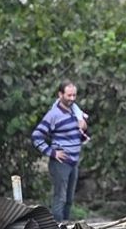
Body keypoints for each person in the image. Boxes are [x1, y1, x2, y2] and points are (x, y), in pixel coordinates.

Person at [32, 81, 86, 221]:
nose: (72, 98)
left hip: (73, 162)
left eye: (74, 95)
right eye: (69, 95)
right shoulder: (53, 115)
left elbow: (80, 132)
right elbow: (36, 136)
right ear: (60, 94)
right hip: (60, 163)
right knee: (60, 198)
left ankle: (67, 228)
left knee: (69, 199)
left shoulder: (75, 111)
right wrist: (53, 153)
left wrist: (83, 125)